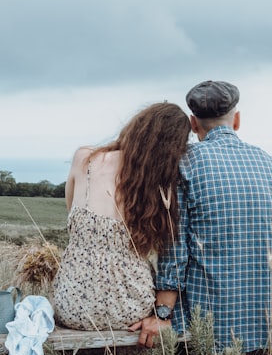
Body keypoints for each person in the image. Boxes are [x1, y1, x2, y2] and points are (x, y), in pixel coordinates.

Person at [129, 80, 272, 355]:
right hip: (265, 321)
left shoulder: (184, 168)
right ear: (237, 120)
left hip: (205, 326)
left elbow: (175, 253)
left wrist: (161, 315)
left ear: (192, 123)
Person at [52, 102, 190, 330]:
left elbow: (72, 219)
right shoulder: (159, 185)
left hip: (72, 303)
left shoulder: (84, 158)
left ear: (135, 128)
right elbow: (168, 249)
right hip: (130, 307)